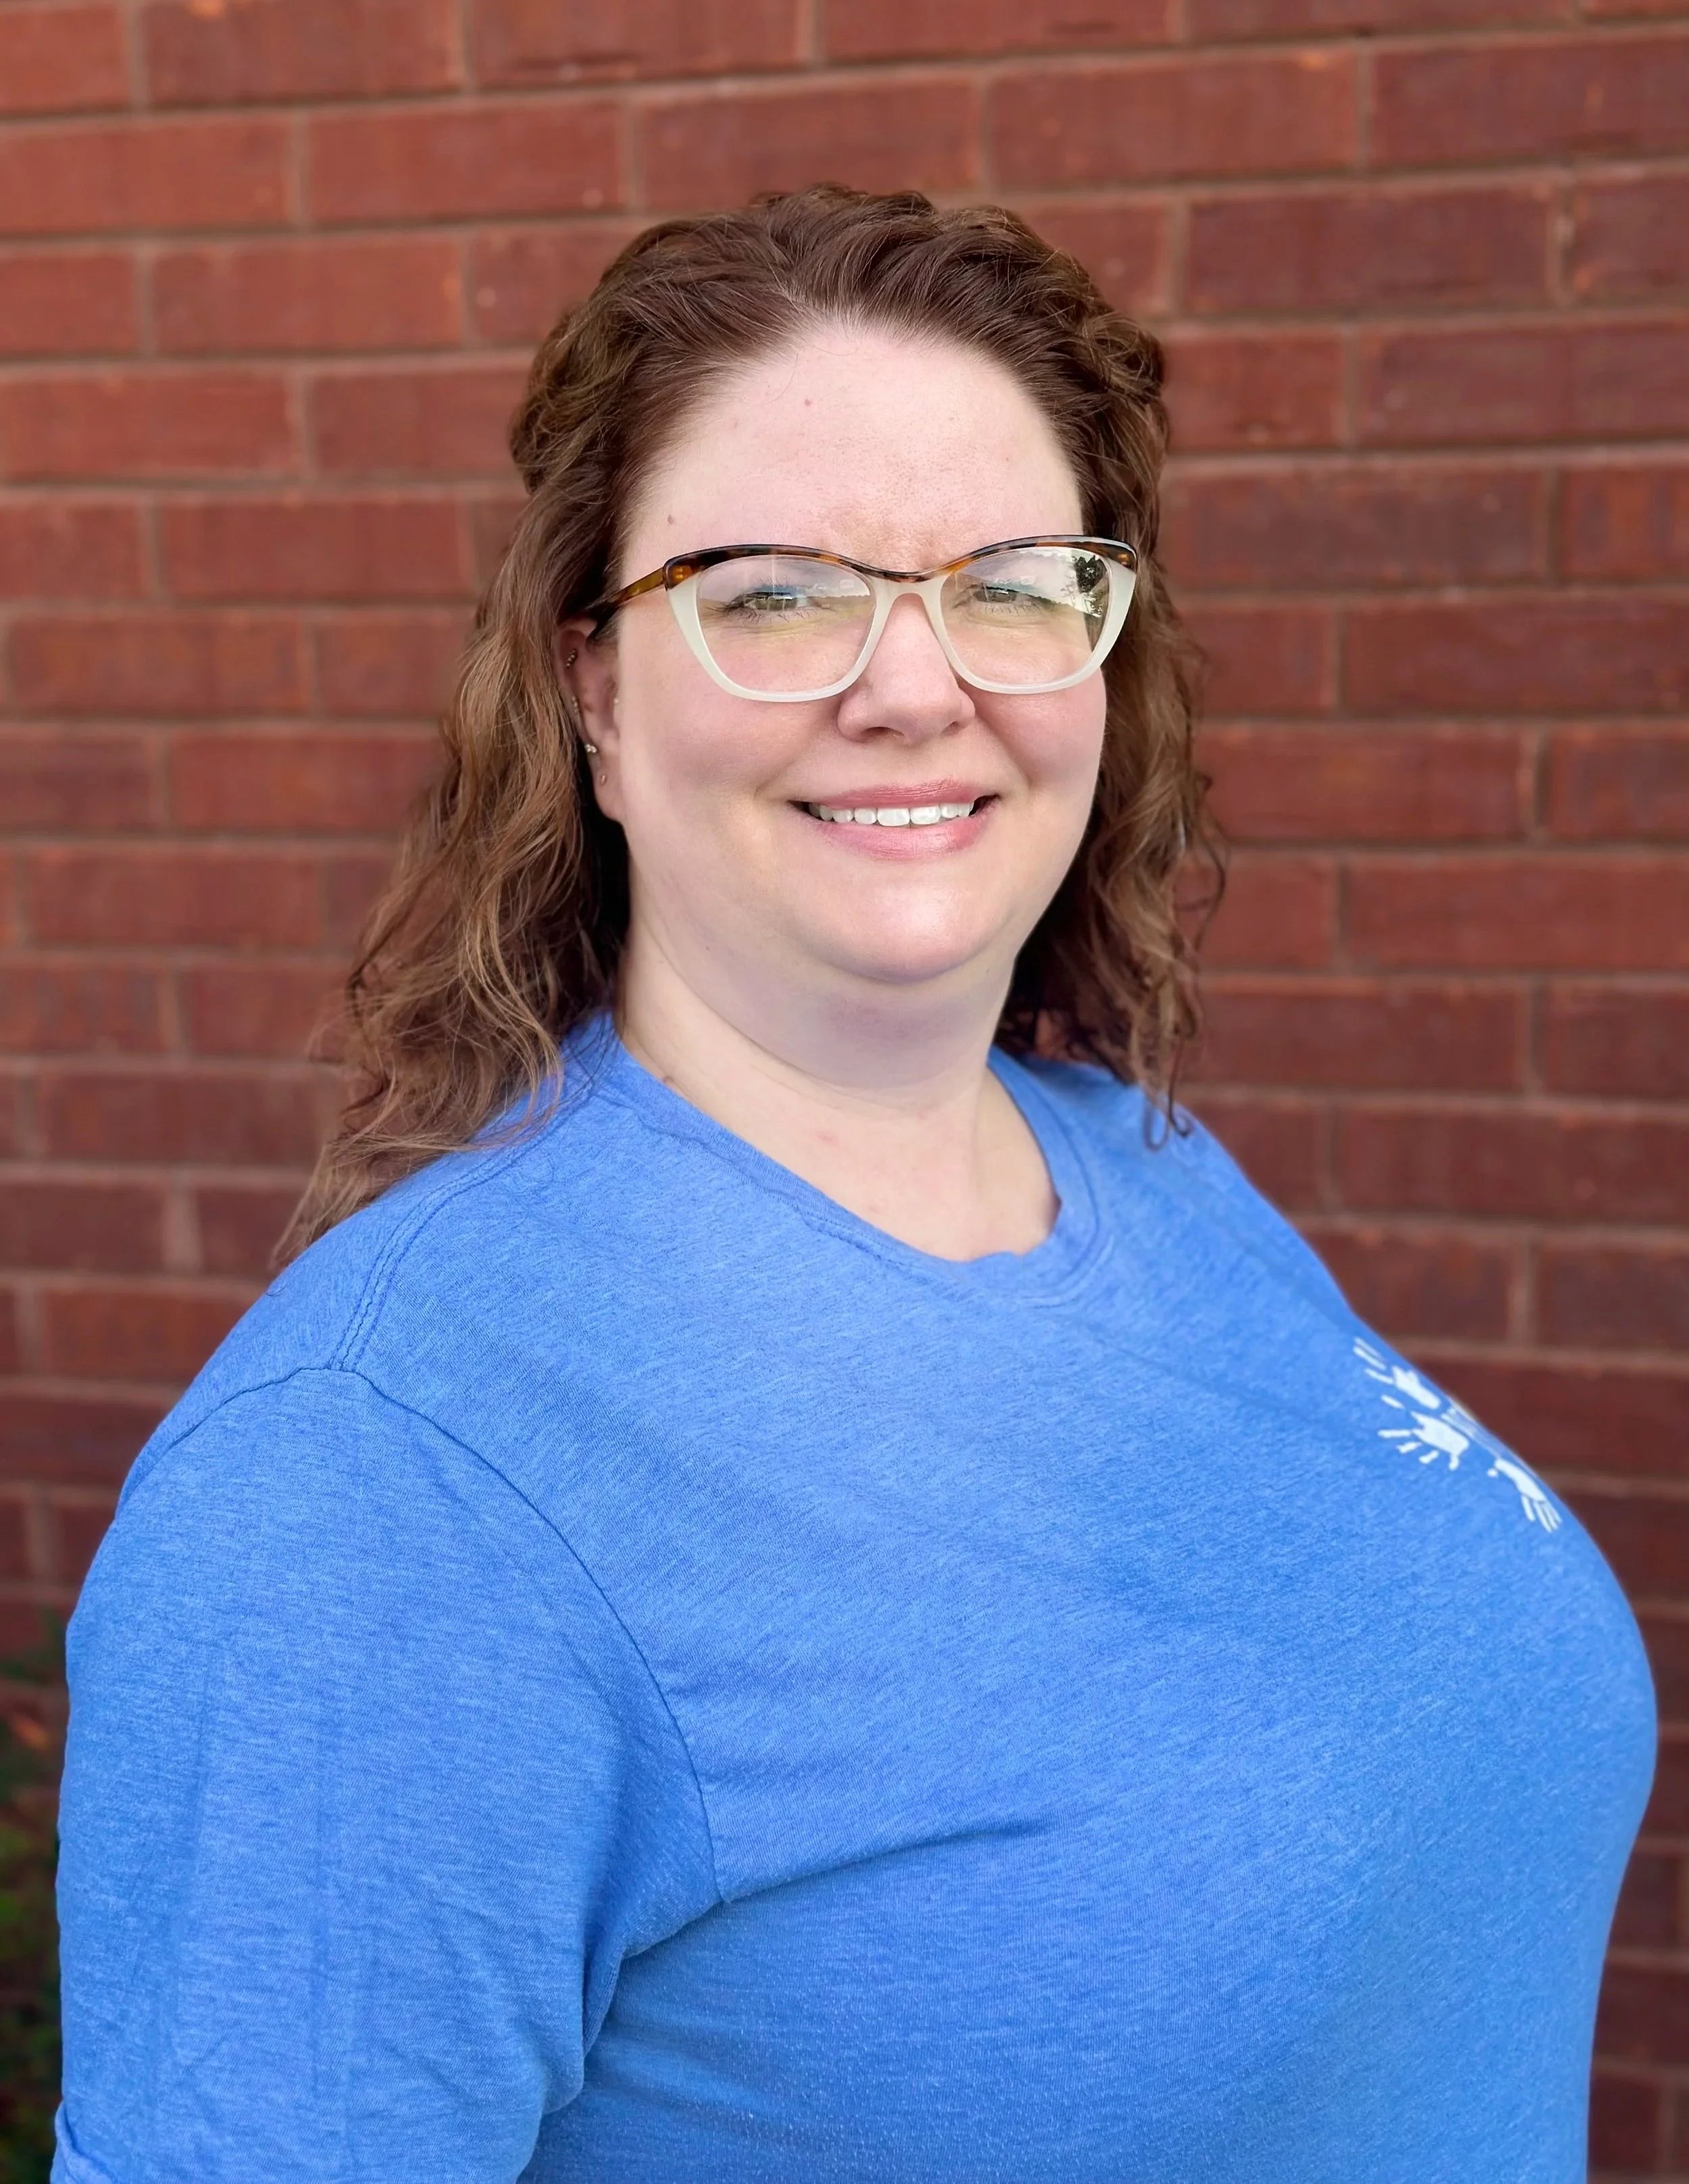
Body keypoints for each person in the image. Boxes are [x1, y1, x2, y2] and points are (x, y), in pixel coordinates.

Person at [54, 186, 1653, 2184]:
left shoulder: (1146, 1172)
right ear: (593, 701)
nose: (914, 687)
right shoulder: (373, 1484)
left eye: (1011, 582)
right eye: (779, 592)